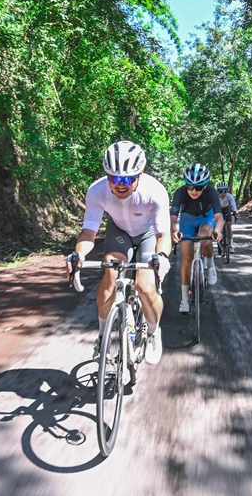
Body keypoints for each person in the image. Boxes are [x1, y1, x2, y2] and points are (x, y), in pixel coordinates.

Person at [64, 141, 172, 365]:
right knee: (110, 275)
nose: (120, 185)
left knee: (145, 286)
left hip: (148, 233)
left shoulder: (155, 191)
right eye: (114, 178)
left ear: (140, 174)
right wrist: (78, 255)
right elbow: (88, 234)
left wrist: (161, 258)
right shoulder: (97, 191)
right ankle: (103, 338)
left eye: (127, 179)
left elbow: (164, 236)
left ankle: (153, 333)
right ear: (107, 176)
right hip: (119, 230)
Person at [170, 163, 224, 314]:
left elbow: (219, 218)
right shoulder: (180, 192)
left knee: (204, 238)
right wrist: (174, 231)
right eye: (190, 186)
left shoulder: (212, 192)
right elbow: (173, 219)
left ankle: (211, 265)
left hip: (206, 218)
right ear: (185, 184)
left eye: (198, 187)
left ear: (205, 186)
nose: (193, 191)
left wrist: (218, 231)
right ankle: (184, 300)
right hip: (187, 220)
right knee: (186, 258)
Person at [217, 181, 238, 247]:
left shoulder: (229, 196)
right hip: (218, 209)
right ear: (218, 191)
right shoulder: (215, 196)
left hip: (226, 209)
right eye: (220, 191)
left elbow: (233, 205)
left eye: (224, 191)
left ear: (227, 191)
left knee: (229, 225)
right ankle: (219, 239)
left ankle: (231, 245)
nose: (222, 193)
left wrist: (235, 212)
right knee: (219, 225)